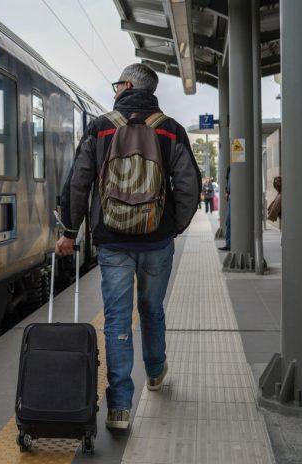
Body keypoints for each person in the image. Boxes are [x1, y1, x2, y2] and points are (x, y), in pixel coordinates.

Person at [56, 63, 201, 430]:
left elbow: (78, 182)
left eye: (116, 83)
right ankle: (155, 372)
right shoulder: (170, 130)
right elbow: (188, 186)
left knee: (118, 319)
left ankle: (120, 407)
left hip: (113, 241)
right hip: (157, 240)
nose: (114, 89)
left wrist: (70, 232)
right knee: (151, 309)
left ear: (128, 85)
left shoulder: (101, 127)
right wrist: (173, 226)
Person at [219, 166, 231, 251]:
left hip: (234, 198)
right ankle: (228, 243)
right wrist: (227, 191)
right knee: (228, 221)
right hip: (231, 197)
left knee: (230, 221)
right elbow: (228, 182)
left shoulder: (231, 168)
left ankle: (229, 244)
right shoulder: (229, 168)